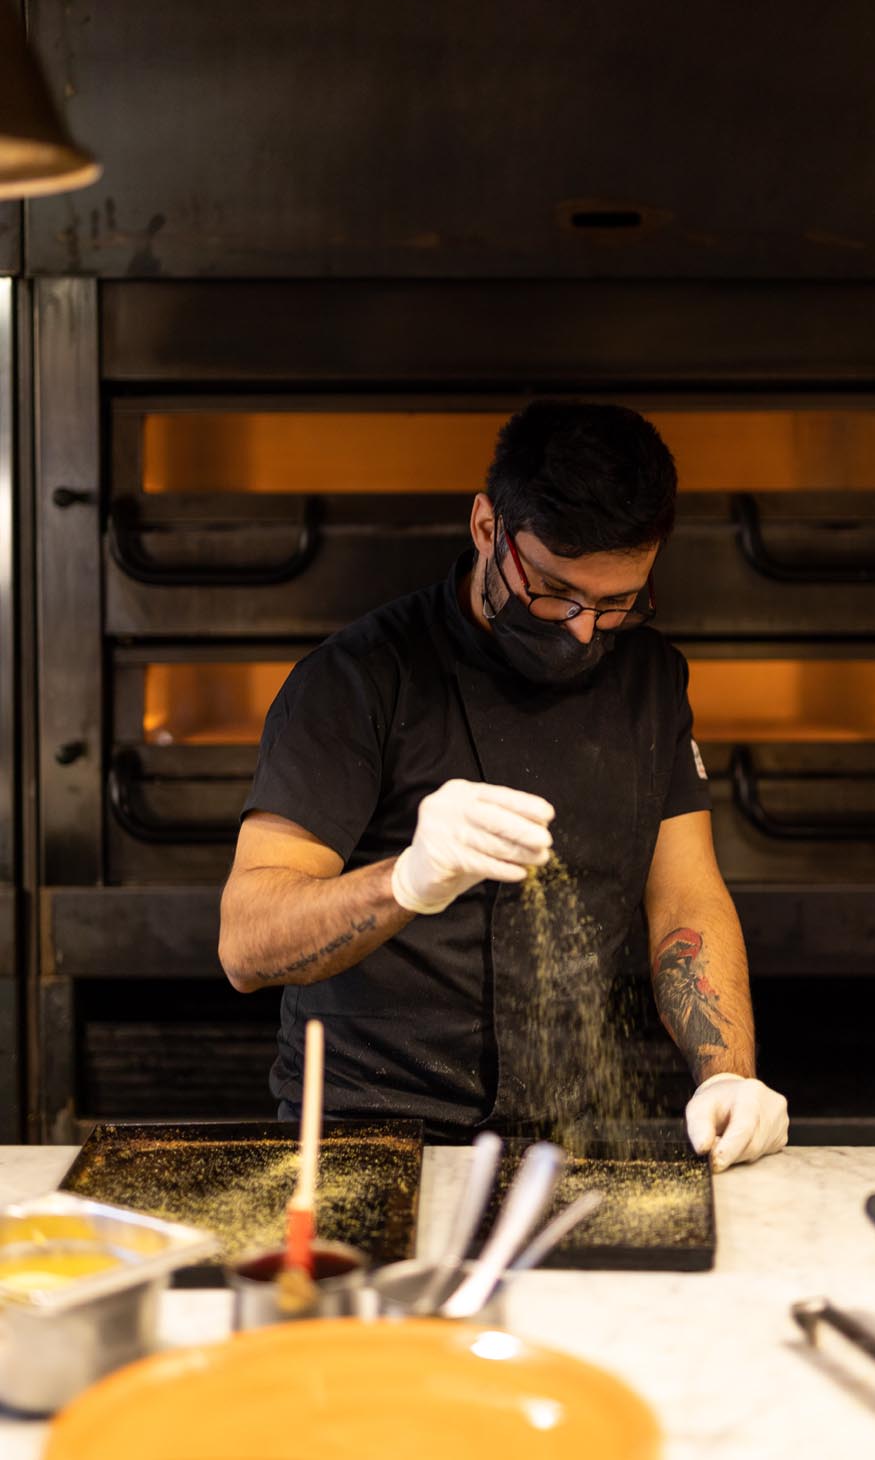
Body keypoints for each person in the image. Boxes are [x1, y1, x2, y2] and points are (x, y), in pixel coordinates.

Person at [219, 401, 788, 1171]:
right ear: (487, 527)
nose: (582, 629)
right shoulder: (357, 680)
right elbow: (245, 943)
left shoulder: (649, 680)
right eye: (554, 591)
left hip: (565, 1140)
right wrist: (407, 881)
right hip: (364, 1136)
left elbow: (686, 900)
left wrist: (730, 1075)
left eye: (616, 603)